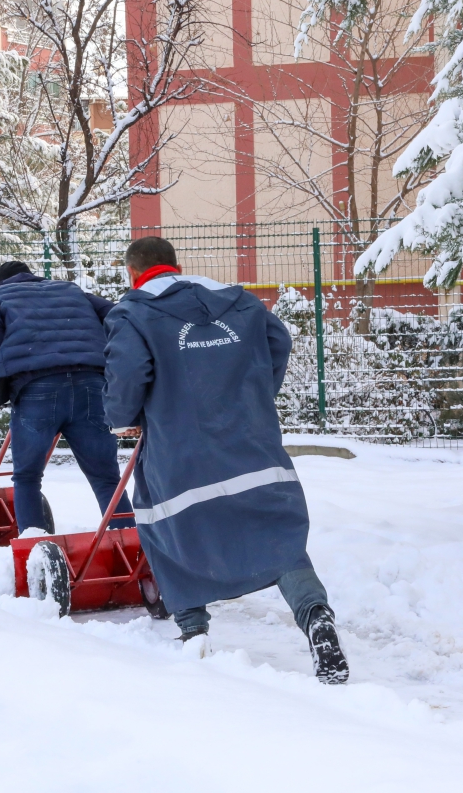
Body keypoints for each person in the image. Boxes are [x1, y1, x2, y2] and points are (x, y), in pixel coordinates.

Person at [101, 237, 349, 683]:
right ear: (175, 266)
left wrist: (123, 418)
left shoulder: (133, 311)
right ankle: (316, 618)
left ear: (133, 273)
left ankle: (194, 632)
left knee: (164, 525)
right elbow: (278, 340)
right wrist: (252, 395)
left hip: (179, 450)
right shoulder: (238, 301)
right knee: (277, 535)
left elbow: (128, 374)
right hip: (250, 441)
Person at [0, 260, 134, 534]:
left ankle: (35, 552)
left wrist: (5, 367)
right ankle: (127, 549)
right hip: (91, 383)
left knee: (27, 477)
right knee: (107, 478)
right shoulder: (71, 290)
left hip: (37, 386)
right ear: (33, 276)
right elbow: (114, 312)